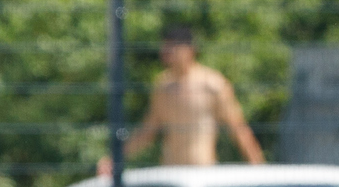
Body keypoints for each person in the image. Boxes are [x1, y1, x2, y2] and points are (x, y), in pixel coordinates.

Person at [113, 26, 264, 169]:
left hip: (202, 172)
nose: (166, 51)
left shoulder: (212, 84)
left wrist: (259, 167)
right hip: (171, 175)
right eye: (165, 46)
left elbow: (238, 129)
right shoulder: (163, 85)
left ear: (190, 49)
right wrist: (115, 159)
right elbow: (148, 131)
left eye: (172, 46)